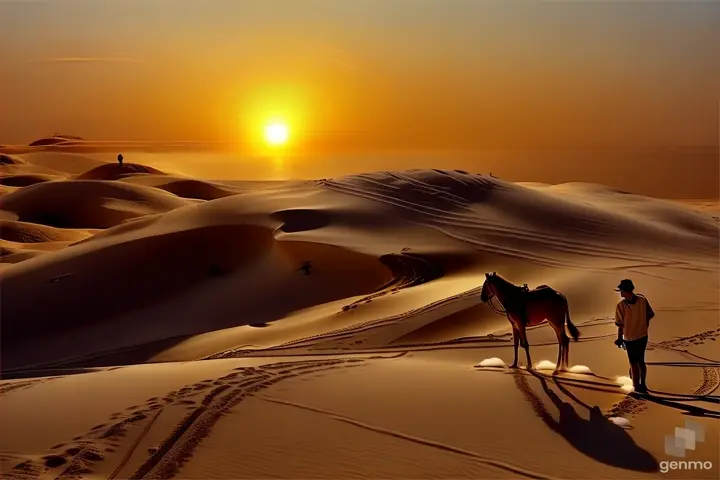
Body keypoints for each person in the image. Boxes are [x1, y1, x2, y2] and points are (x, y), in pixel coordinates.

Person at [613, 279, 654, 393]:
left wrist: (620, 338)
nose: (620, 293)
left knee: (633, 363)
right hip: (642, 335)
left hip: (630, 338)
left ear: (625, 291)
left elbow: (620, 324)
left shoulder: (621, 306)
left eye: (621, 290)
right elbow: (650, 314)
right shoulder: (642, 300)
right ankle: (643, 385)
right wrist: (643, 325)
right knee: (641, 361)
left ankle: (636, 387)